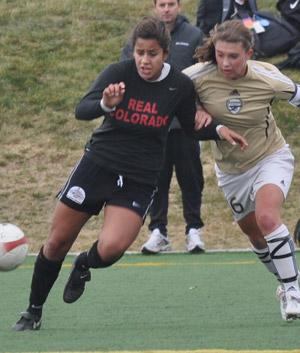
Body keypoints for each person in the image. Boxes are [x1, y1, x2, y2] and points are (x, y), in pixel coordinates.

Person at [12, 16, 247, 331]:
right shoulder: (118, 73)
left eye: (152, 53)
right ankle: (33, 311)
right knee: (56, 242)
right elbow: (82, 110)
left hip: (139, 176)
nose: (144, 60)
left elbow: (191, 126)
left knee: (111, 250)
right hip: (98, 165)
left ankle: (83, 264)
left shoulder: (179, 84)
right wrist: (107, 105)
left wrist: (219, 129)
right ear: (133, 51)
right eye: (139, 52)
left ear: (164, 53)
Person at [183, 19, 300, 321]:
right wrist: (193, 107)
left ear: (249, 53)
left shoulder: (268, 77)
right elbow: (169, 95)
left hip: (269, 156)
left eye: (233, 56)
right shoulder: (196, 76)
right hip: (231, 170)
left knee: (267, 218)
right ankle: (285, 282)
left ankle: (293, 289)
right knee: (255, 236)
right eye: (220, 54)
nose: (225, 62)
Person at [121, 0, 207, 254]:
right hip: (152, 125)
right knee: (155, 179)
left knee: (191, 178)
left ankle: (194, 230)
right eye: (162, 4)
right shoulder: (141, 37)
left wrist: (202, 107)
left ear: (179, 6)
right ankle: (158, 231)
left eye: (171, 3)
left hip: (185, 125)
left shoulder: (193, 35)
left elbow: (205, 76)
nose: (166, 9)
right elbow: (128, 71)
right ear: (155, 6)